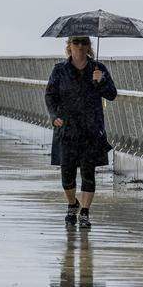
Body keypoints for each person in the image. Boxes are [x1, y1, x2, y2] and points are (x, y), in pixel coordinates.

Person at [44, 36, 117, 228]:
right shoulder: (59, 70)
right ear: (69, 46)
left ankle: (84, 212)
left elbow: (112, 94)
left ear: (89, 47)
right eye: (76, 42)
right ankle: (72, 204)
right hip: (67, 127)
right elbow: (50, 95)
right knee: (67, 174)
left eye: (84, 43)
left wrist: (100, 82)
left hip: (91, 129)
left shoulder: (97, 69)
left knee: (88, 173)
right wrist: (53, 116)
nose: (80, 46)